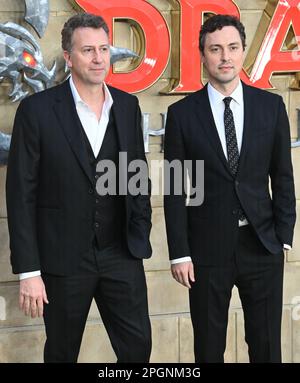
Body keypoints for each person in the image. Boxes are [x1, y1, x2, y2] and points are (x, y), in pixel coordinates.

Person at [6, 13, 152, 363]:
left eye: (104, 49)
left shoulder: (128, 107)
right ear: (69, 57)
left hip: (121, 254)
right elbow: (20, 195)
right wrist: (29, 271)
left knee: (138, 350)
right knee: (61, 353)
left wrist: (140, 228)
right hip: (63, 259)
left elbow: (137, 177)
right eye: (88, 50)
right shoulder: (36, 111)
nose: (99, 58)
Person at [164, 14, 296, 363]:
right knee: (208, 347)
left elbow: (282, 176)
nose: (225, 56)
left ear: (241, 53)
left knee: (267, 346)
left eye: (233, 48)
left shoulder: (271, 107)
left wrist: (283, 235)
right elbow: (176, 188)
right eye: (216, 49)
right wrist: (179, 251)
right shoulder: (181, 114)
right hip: (206, 250)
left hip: (262, 245)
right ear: (203, 55)